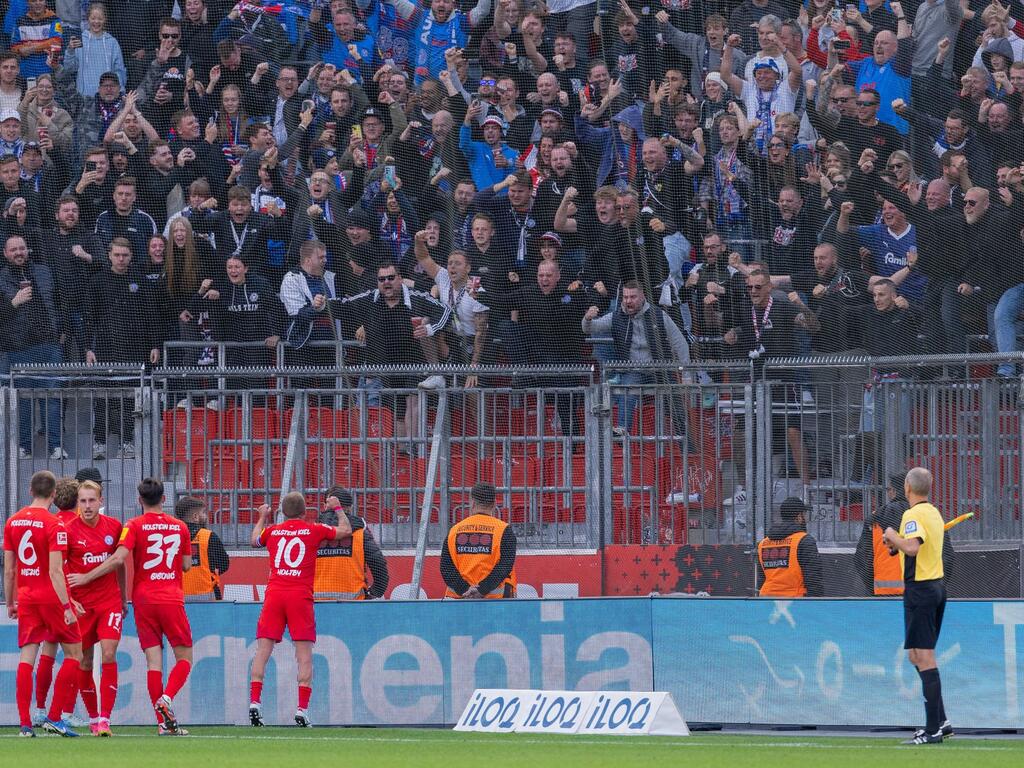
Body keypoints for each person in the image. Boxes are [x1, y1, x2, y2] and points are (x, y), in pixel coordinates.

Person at [67, 477, 193, 736]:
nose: (88, 505)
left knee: (153, 662)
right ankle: (166, 699)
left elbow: (120, 557)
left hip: (144, 599)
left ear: (139, 501)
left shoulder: (132, 526)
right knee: (185, 658)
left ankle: (161, 723)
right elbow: (187, 565)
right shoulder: (180, 526)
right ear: (165, 499)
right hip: (171, 598)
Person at [248, 493, 354, 727]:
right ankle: (302, 710)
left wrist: (262, 517)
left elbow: (254, 540)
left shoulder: (273, 531)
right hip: (299, 596)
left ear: (282, 512)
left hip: (274, 594)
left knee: (263, 650)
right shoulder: (314, 529)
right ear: (305, 512)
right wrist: (337, 509)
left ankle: (254, 702)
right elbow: (346, 531)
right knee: (304, 654)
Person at [2, 470, 83, 737]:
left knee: (27, 657)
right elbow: (56, 571)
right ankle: (55, 716)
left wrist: (10, 601)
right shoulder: (54, 524)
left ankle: (25, 724)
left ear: (30, 491)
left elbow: (9, 569)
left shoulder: (12, 521)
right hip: (51, 597)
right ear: (53, 495)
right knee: (74, 654)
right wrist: (67, 606)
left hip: (26, 597)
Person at [882, 467, 954, 744]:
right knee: (917, 656)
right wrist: (894, 543)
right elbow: (909, 546)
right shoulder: (933, 512)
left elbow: (912, 547)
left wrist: (892, 533)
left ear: (908, 489)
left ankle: (933, 729)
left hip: (921, 590)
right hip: (934, 587)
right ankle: (942, 721)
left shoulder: (912, 515)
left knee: (924, 658)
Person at [63, 479, 125, 736]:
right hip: (81, 605)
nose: (87, 506)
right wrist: (69, 599)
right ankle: (93, 716)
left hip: (109, 601)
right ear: (77, 503)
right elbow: (58, 568)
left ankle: (106, 720)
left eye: (91, 500)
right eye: (82, 501)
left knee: (109, 654)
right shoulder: (67, 530)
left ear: (101, 501)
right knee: (85, 660)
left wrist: (122, 597)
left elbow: (119, 564)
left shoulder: (114, 527)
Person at [440, 482, 517, 599]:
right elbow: (504, 566)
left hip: (458, 600)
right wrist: (482, 590)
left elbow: (446, 568)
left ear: (472, 502)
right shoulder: (504, 530)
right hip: (496, 601)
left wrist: (465, 590)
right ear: (494, 503)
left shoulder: (454, 530)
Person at [314, 488, 389, 600]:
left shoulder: (311, 533)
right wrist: (372, 594)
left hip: (316, 604)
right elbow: (379, 568)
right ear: (350, 508)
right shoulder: (361, 533)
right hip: (354, 603)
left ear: (325, 506)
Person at [756, 497, 824, 597]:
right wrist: (816, 605)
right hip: (796, 602)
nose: (805, 519)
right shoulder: (804, 540)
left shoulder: (763, 543)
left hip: (767, 600)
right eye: (804, 514)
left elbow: (761, 579)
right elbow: (813, 578)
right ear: (799, 516)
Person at [176, 496, 231, 601]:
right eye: (203, 513)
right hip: (207, 595)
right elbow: (224, 564)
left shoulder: (172, 536)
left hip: (177, 596)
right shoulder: (209, 536)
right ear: (195, 516)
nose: (205, 516)